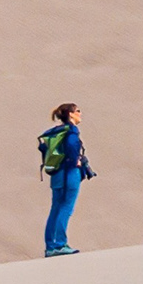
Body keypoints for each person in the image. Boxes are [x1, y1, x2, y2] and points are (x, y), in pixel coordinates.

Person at [36, 101, 93, 256]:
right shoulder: (72, 130)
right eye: (78, 110)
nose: (80, 114)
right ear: (70, 114)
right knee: (66, 207)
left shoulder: (56, 131)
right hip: (70, 172)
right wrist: (76, 161)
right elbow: (72, 146)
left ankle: (50, 246)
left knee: (55, 208)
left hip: (56, 173)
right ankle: (60, 244)